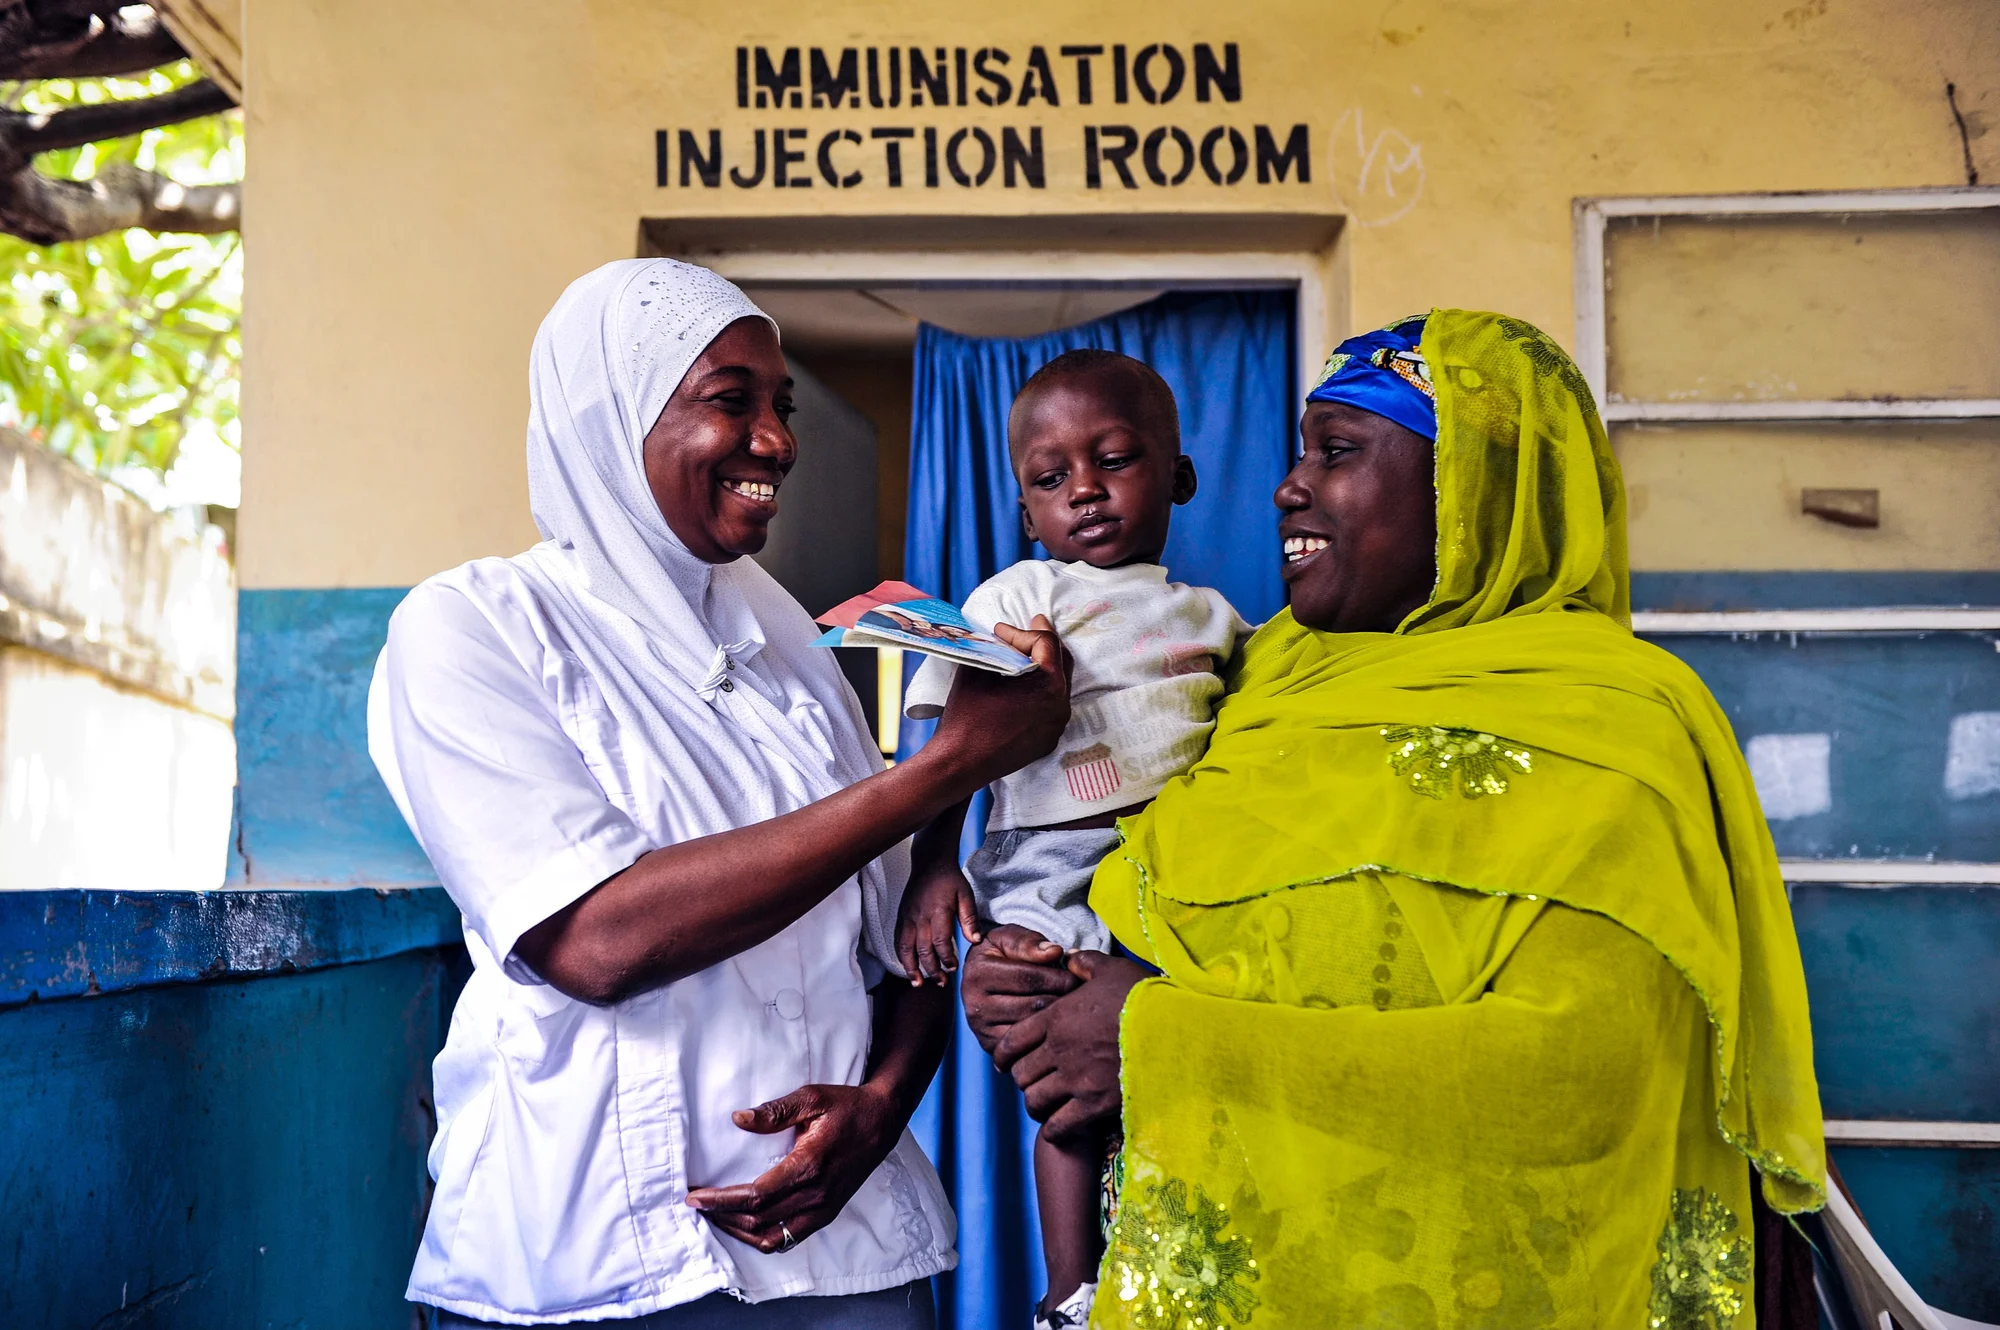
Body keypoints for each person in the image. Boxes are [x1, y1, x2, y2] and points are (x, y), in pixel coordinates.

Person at [961, 311, 1828, 1327]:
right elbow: (1137, 879)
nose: (1286, 487)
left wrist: (1151, 1040)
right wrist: (1021, 973)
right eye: (1295, 453)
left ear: (1470, 491)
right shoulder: (1261, 673)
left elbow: (1591, 1071)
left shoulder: (1610, 722)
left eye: (1335, 452)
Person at [366, 259, 1072, 1327]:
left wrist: (881, 1108)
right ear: (612, 417)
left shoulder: (789, 648)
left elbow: (904, 946)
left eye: (781, 406)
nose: (778, 440)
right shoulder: (475, 626)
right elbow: (595, 941)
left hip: (844, 1248)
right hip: (595, 1250)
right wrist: (941, 770)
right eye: (727, 400)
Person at [894, 349, 1250, 1330]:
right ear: (1024, 510)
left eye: (1115, 461)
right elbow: (950, 751)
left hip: (1166, 864)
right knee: (1069, 1082)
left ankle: (1151, 1264)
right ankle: (1068, 1289)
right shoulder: (1015, 600)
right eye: (1051, 478)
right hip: (1047, 854)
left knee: (1152, 1064)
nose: (1083, 491)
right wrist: (933, 865)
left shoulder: (1218, 621)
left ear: (1176, 477)